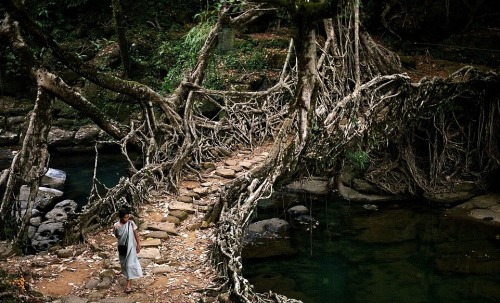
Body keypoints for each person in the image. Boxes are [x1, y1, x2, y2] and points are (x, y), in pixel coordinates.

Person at [113, 208, 143, 293]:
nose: (126, 219)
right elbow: (116, 235)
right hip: (122, 247)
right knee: (124, 264)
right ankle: (127, 277)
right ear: (121, 217)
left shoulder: (131, 223)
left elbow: (136, 235)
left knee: (129, 264)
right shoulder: (116, 226)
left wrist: (138, 245)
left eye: (127, 217)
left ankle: (128, 285)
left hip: (131, 247)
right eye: (125, 217)